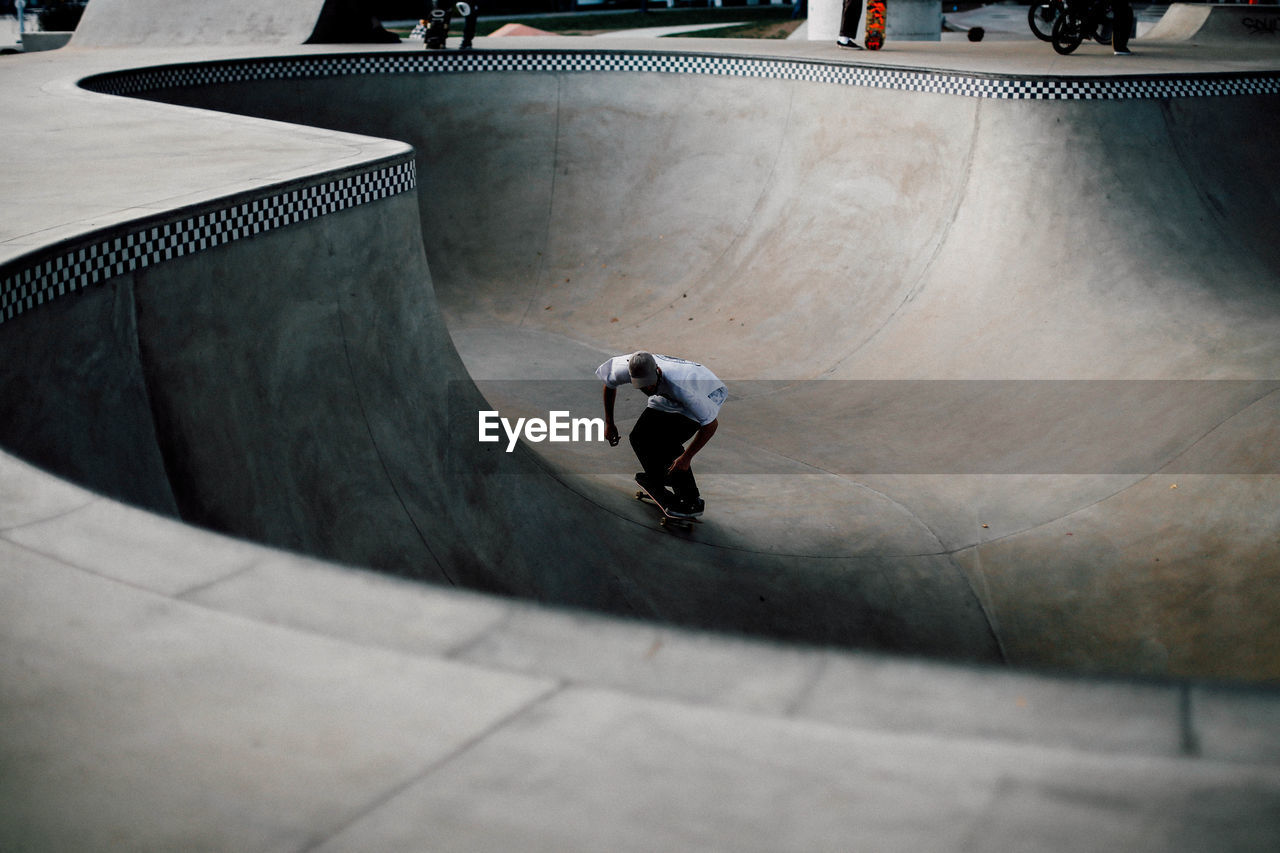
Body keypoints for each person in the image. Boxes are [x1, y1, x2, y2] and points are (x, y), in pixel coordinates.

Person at [597, 351, 727, 518]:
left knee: (668, 442)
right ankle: (659, 477)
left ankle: (692, 500)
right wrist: (609, 423)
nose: (648, 389)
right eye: (643, 387)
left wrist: (686, 457)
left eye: (650, 385)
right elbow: (609, 385)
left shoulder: (683, 389)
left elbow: (710, 425)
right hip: (666, 395)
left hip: (706, 392)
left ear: (657, 371)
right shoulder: (622, 369)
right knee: (638, 437)